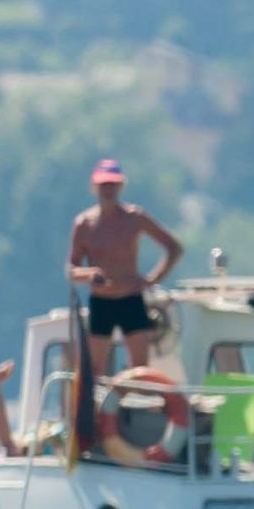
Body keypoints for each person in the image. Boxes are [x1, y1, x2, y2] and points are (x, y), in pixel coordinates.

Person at [67, 156, 182, 378]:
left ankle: (134, 398)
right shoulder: (84, 224)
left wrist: (153, 279)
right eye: (104, 185)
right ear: (94, 187)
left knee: (140, 370)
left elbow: (174, 248)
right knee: (94, 370)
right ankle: (97, 401)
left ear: (121, 186)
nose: (108, 190)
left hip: (131, 299)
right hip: (101, 302)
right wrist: (89, 274)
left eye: (112, 184)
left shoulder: (134, 218)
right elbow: (71, 270)